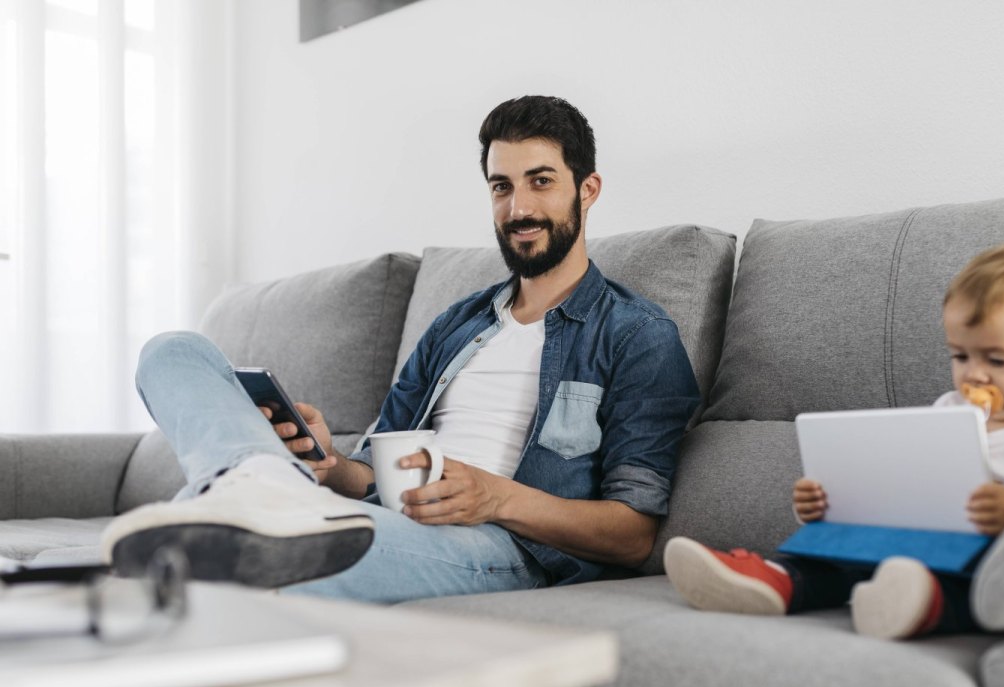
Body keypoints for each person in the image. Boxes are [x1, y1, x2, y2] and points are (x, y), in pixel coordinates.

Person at [102, 95, 701, 603]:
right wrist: (328, 463)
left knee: (266, 551)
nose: (518, 208)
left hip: (501, 546)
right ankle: (264, 481)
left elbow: (634, 535)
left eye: (540, 182)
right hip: (389, 516)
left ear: (586, 189)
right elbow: (372, 472)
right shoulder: (457, 325)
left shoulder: (636, 333)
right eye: (501, 187)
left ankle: (254, 501)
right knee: (173, 350)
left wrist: (495, 496)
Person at [664, 240, 1004, 639]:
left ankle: (920, 603)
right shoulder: (950, 410)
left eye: (997, 360)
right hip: (930, 543)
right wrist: (831, 502)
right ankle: (778, 581)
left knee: (997, 585)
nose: (974, 374)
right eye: (960, 355)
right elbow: (907, 490)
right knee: (845, 548)